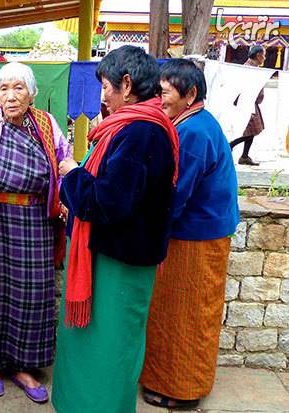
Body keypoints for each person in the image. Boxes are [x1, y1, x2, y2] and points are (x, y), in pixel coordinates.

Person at [51, 45, 179, 413]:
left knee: (109, 346)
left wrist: (72, 174)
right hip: (113, 255)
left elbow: (108, 201)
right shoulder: (140, 127)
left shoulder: (140, 132)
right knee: (97, 343)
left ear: (127, 84)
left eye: (106, 87)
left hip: (118, 262)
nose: (102, 97)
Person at [0, 62, 71, 403]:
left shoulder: (45, 124)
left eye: (19, 88)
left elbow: (63, 159)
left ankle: (23, 365)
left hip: (35, 220)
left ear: (32, 93)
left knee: (32, 291)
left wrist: (72, 192)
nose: (11, 97)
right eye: (5, 89)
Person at [140, 59, 239, 409]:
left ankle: (183, 391)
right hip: (197, 233)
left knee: (186, 315)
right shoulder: (194, 123)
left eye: (165, 92)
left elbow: (176, 194)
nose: (159, 98)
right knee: (178, 311)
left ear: (190, 94)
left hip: (196, 237)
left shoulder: (194, 132)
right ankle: (173, 379)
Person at [229, 45, 266, 165]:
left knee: (252, 129)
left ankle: (244, 156)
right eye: (263, 55)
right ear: (258, 55)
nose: (264, 58)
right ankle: (230, 146)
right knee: (252, 129)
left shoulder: (251, 66)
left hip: (251, 102)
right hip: (248, 102)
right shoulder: (250, 68)